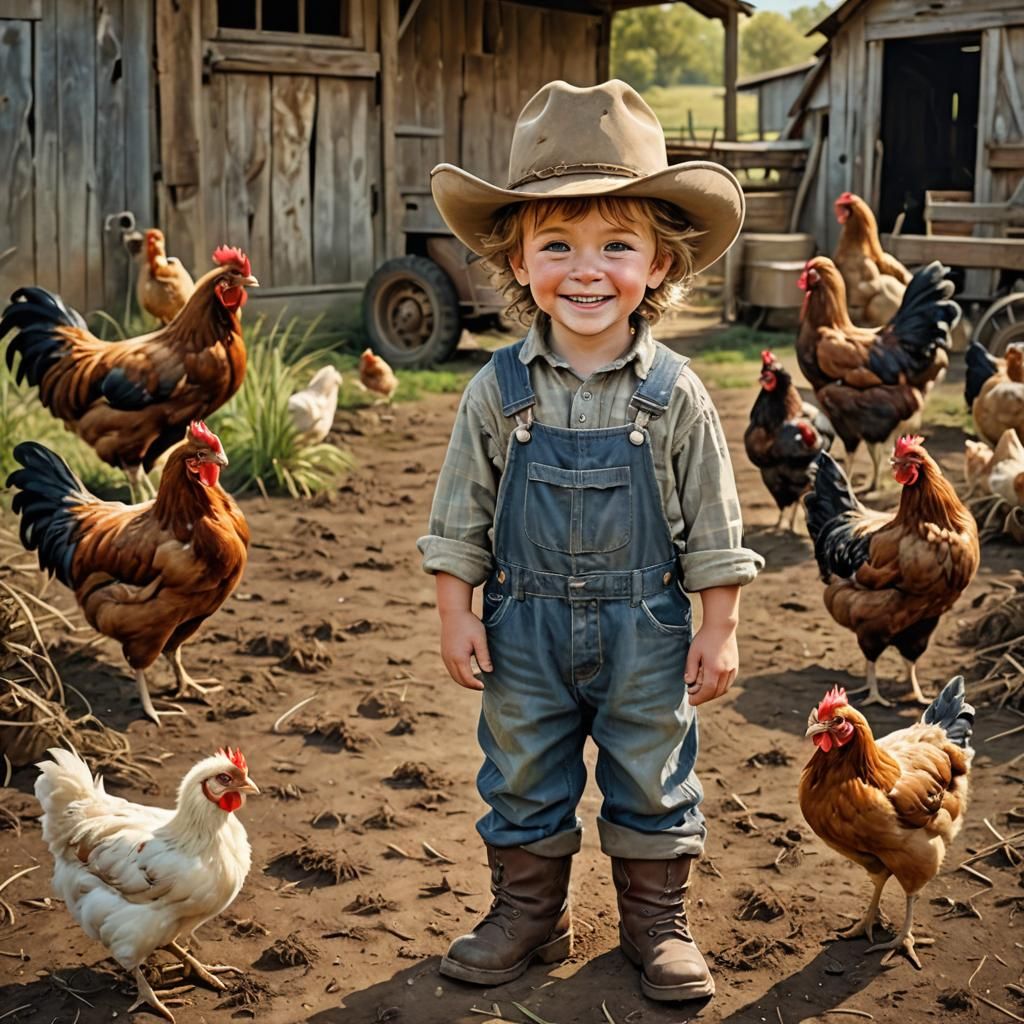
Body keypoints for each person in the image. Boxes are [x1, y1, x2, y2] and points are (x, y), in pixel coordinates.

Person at [417, 79, 763, 1003]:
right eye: (556, 244)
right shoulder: (497, 390)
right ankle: (528, 915)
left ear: (658, 264)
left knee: (652, 772)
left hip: (645, 627)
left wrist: (718, 625)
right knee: (522, 767)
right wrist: (457, 614)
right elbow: (459, 518)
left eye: (617, 244)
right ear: (517, 258)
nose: (585, 269)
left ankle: (657, 923)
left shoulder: (676, 393)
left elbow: (717, 525)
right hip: (522, 624)